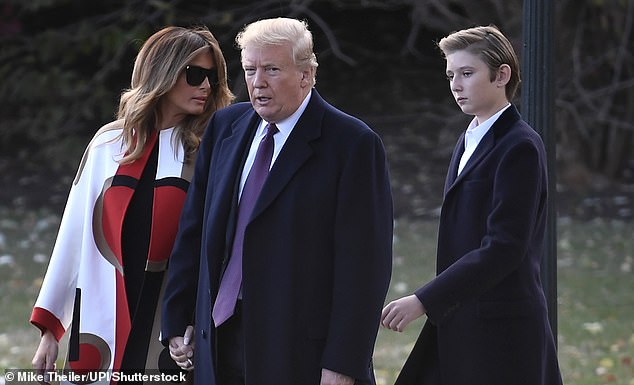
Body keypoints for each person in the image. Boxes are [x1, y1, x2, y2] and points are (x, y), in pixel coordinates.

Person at [161, 17, 393, 385]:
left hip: (299, 351)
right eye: (250, 70)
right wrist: (176, 319)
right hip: (217, 341)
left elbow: (365, 268)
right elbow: (194, 230)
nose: (257, 82)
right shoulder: (225, 127)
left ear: (306, 74)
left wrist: (344, 362)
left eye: (271, 69)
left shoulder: (352, 144)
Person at [30, 25, 233, 382]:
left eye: (212, 78)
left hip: (172, 321)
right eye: (194, 74)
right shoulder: (108, 144)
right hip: (102, 314)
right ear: (163, 73)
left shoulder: (209, 151)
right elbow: (74, 235)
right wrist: (50, 330)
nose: (205, 86)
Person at [381, 25, 563, 384]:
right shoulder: (469, 138)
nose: (455, 85)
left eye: (467, 73)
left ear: (501, 75)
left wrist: (424, 300)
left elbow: (505, 247)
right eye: (451, 75)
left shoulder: (520, 146)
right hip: (461, 318)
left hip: (502, 330)